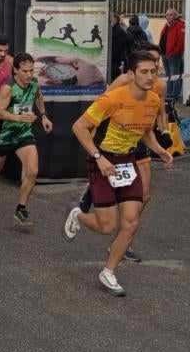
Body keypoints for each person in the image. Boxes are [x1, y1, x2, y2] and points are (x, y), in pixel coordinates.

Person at [63, 51, 173, 297]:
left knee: (131, 222)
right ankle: (78, 216)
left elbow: (145, 131)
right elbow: (79, 127)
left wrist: (160, 151)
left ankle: (108, 271)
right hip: (102, 159)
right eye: (144, 72)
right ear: (131, 75)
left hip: (127, 161)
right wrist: (98, 157)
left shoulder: (153, 100)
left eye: (153, 72)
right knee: (107, 225)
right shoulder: (111, 99)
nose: (150, 77)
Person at [0, 53, 52, 227]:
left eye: (31, 70)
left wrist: (43, 116)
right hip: (4, 134)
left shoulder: (34, 83)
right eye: (25, 71)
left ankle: (21, 208)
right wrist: (19, 118)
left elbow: (38, 97)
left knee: (32, 171)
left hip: (23, 134)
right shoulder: (8, 87)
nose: (29, 74)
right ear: (16, 70)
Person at [158, 8, 186, 102]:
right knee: (168, 75)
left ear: (175, 16)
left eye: (170, 15)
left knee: (175, 75)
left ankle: (175, 94)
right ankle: (169, 93)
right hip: (165, 54)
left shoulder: (179, 25)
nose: (168, 17)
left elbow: (181, 42)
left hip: (173, 55)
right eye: (167, 15)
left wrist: (174, 52)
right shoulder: (167, 25)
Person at [110, 13, 131, 81]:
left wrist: (111, 57)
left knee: (116, 80)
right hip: (114, 61)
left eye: (111, 19)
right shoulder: (111, 30)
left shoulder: (120, 31)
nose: (110, 21)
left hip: (118, 61)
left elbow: (119, 48)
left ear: (116, 20)